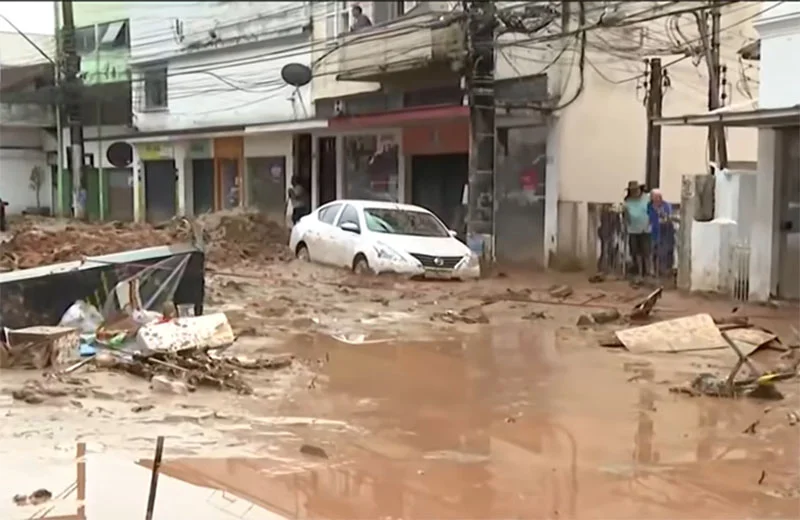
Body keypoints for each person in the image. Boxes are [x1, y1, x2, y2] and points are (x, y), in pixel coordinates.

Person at [623, 180, 651, 279]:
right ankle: (639, 272)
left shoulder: (647, 198)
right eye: (632, 190)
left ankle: (647, 273)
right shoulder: (627, 201)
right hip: (633, 229)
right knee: (635, 252)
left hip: (646, 229)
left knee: (646, 252)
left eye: (636, 189)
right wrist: (626, 225)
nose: (635, 192)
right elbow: (626, 215)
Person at [648, 188, 674, 277]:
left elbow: (669, 217)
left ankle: (664, 270)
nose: (658, 199)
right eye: (656, 197)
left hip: (665, 231)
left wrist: (664, 217)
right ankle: (653, 270)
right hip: (652, 232)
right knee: (652, 252)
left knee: (664, 251)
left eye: (659, 197)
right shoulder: (649, 206)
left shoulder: (666, 205)